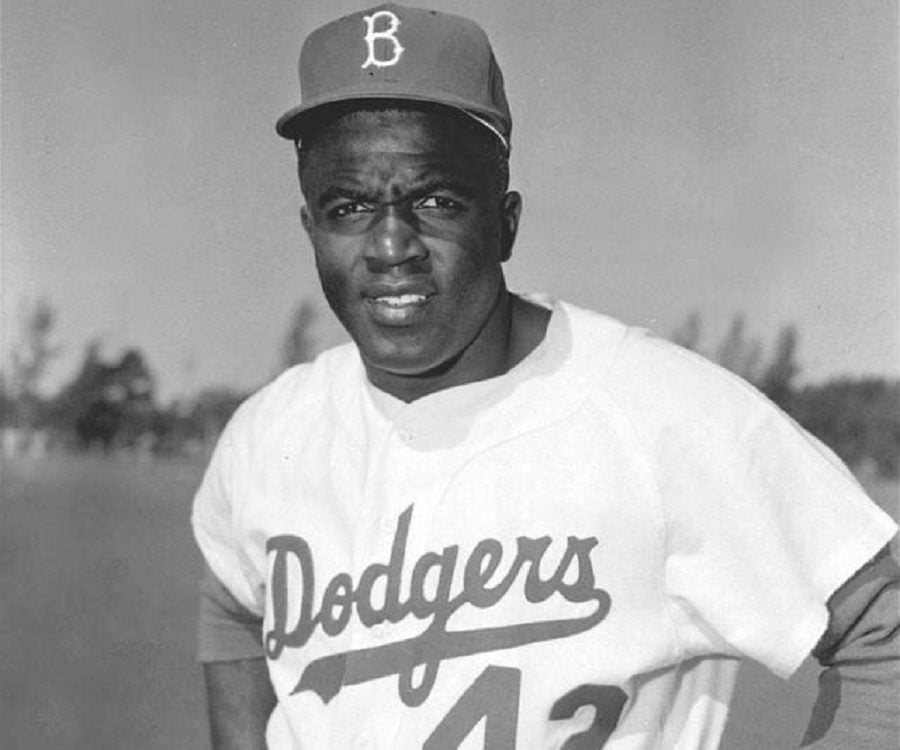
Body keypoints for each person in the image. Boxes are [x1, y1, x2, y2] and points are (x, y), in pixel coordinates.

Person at [192, 4, 899, 748]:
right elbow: (234, 606)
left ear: (504, 222)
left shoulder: (659, 414)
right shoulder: (271, 434)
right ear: (312, 229)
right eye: (350, 206)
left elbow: (881, 633)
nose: (391, 243)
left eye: (435, 200)